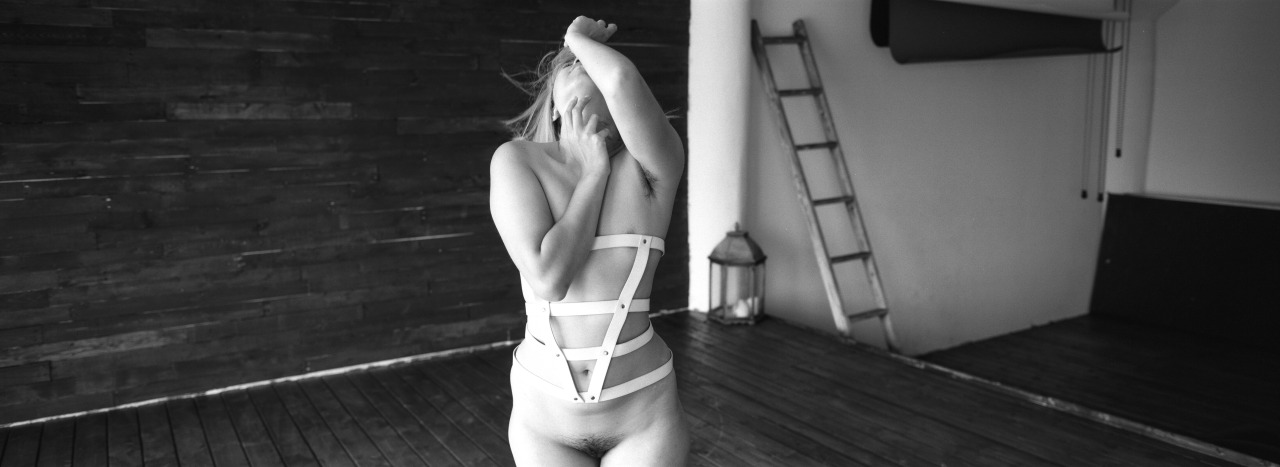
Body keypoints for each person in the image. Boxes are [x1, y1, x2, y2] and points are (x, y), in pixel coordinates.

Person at [489, 15, 690, 467]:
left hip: (644, 416)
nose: (580, 62)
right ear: (553, 108)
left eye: (589, 60)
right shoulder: (517, 161)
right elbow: (548, 277)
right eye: (570, 63)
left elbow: (619, 79)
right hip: (544, 423)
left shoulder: (653, 166)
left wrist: (575, 38)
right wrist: (593, 174)